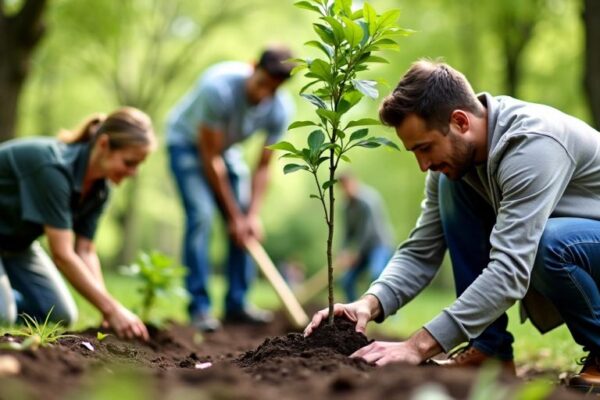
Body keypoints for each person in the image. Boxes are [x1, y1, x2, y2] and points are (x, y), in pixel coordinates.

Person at [305, 59, 600, 392]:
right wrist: (369, 303)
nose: (423, 165)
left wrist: (417, 345)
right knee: (452, 186)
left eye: (425, 148)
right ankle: (489, 350)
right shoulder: (454, 165)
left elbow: (509, 271)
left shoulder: (532, 144)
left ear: (460, 121)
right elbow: (421, 250)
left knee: (550, 243)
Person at [167, 46, 295, 332]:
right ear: (252, 66)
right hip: (186, 146)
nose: (263, 94)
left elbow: (263, 166)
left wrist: (250, 215)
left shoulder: (280, 108)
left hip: (226, 152)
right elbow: (209, 156)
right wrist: (233, 214)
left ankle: (237, 304)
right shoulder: (218, 87)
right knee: (201, 216)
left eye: (272, 90)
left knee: (245, 228)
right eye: (261, 84)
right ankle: (199, 308)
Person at [0, 107, 156, 341]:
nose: (134, 173)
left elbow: (84, 250)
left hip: (17, 244)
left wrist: (105, 308)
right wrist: (112, 308)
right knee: (4, 315)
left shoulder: (101, 190)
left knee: (60, 315)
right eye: (129, 162)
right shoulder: (53, 169)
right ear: (104, 144)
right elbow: (62, 255)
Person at [337, 173, 394, 302]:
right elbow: (347, 233)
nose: (346, 189)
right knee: (346, 281)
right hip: (362, 251)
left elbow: (367, 231)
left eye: (347, 185)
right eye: (342, 187)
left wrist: (356, 252)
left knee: (377, 275)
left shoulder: (368, 200)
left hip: (379, 245)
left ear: (354, 182)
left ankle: (390, 314)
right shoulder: (346, 208)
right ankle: (353, 313)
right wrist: (343, 252)